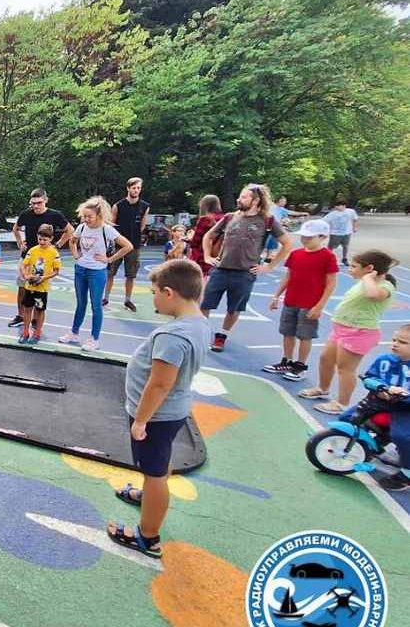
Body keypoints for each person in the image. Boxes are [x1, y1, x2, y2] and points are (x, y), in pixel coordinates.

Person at [107, 259, 211, 559]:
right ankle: (148, 496)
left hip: (157, 415)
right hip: (172, 411)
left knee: (154, 473)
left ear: (169, 293)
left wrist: (141, 421)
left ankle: (148, 536)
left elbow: (160, 385)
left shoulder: (173, 336)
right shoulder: (199, 322)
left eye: (154, 293)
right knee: (159, 461)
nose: (152, 299)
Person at [299, 250, 398, 413]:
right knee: (326, 359)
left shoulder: (385, 286)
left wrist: (368, 278)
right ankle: (322, 388)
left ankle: (341, 404)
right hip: (341, 328)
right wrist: (366, 278)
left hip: (359, 332)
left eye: (354, 266)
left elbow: (373, 295)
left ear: (369, 268)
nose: (350, 269)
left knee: (345, 369)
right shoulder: (364, 282)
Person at [200, 183, 292, 353]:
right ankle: (203, 333)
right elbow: (208, 236)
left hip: (244, 274)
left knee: (234, 309)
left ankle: (222, 336)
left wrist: (269, 266)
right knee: (205, 305)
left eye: (243, 197)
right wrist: (207, 256)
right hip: (221, 269)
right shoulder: (229, 217)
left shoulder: (267, 220)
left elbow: (287, 243)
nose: (239, 199)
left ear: (255, 200)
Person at [262, 219, 338, 381]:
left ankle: (300, 366)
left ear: (323, 237)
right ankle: (287, 361)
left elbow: (331, 283)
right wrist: (276, 296)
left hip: (310, 304)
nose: (305, 240)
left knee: (305, 335)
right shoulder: (296, 254)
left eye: (309, 237)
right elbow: (288, 277)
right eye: (304, 236)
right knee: (287, 332)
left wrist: (319, 306)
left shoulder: (328, 257)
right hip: (291, 300)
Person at [336, 325, 410, 490]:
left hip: (405, 408)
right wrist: (380, 387)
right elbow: (370, 377)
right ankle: (372, 444)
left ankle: (407, 474)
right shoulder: (385, 360)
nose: (395, 344)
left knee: (403, 436)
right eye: (394, 340)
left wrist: (402, 395)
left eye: (403, 342)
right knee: (347, 418)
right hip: (380, 401)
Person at [60, 197, 134, 352]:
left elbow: (128, 246)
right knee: (81, 303)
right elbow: (72, 241)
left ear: (99, 215)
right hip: (80, 269)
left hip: (97, 272)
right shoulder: (81, 227)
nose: (86, 219)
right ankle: (74, 333)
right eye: (84, 216)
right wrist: (76, 256)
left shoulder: (106, 229)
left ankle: (94, 339)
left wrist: (109, 259)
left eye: (89, 216)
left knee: (96, 305)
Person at [9, 188, 72, 328]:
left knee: (39, 289)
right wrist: (19, 242)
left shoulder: (55, 215)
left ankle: (36, 319)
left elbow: (70, 230)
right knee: (22, 287)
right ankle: (20, 315)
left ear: (45, 200)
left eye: (39, 203)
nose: (36, 206)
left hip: (44, 260)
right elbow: (15, 228)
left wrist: (58, 245)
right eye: (33, 203)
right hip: (28, 256)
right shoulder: (26, 214)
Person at [104, 178, 149, 312]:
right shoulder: (118, 205)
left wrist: (134, 235)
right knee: (110, 273)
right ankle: (106, 298)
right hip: (118, 244)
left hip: (134, 245)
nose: (136, 190)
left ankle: (127, 300)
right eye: (134, 188)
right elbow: (112, 224)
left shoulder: (144, 206)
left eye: (138, 188)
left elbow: (142, 225)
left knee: (131, 275)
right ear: (128, 188)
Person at [18, 224, 62, 345]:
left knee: (40, 310)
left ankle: (37, 333)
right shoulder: (32, 250)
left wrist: (43, 278)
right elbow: (24, 265)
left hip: (42, 289)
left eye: (45, 240)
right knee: (27, 309)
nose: (42, 242)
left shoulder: (53, 253)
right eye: (40, 239)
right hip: (30, 286)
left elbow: (56, 271)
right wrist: (26, 275)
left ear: (51, 239)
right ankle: (25, 332)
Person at [187, 195, 224, 277]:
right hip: (217, 255)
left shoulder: (205, 219)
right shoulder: (223, 218)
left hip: (201, 257)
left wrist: (189, 238)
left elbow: (195, 242)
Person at [323, 199, 359, 266]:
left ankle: (344, 258)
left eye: (338, 206)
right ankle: (327, 259)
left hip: (347, 232)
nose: (336, 207)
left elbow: (355, 219)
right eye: (336, 206)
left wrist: (355, 227)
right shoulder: (333, 213)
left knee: (345, 246)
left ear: (344, 206)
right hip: (335, 233)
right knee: (331, 247)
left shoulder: (351, 211)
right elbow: (324, 221)